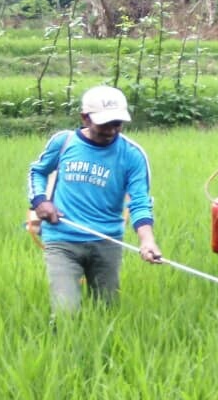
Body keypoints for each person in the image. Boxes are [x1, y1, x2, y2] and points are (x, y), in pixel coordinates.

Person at [27, 85, 161, 314]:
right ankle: (63, 345)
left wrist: (147, 241)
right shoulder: (64, 142)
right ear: (85, 118)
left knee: (106, 310)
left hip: (107, 241)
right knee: (65, 310)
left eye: (117, 124)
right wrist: (40, 201)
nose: (110, 130)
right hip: (62, 238)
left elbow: (139, 202)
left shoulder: (132, 154)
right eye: (104, 124)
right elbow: (37, 171)